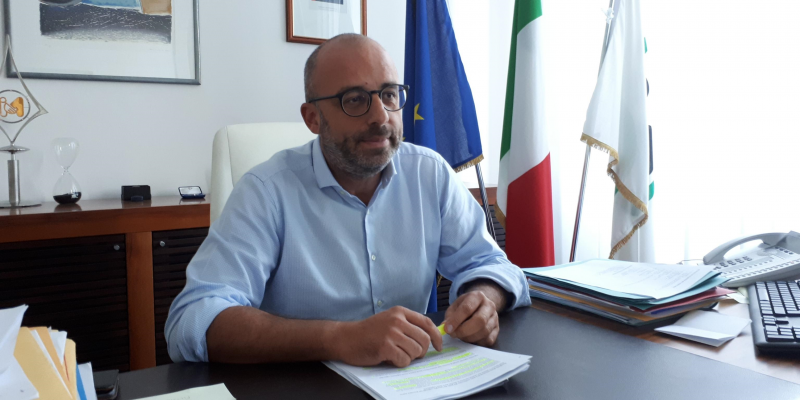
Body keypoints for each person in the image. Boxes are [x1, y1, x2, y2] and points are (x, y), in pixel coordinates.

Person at [165, 33, 531, 368]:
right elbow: (193, 320)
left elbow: (493, 265)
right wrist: (337, 338)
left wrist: (485, 299)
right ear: (313, 118)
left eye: (389, 94)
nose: (380, 116)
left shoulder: (429, 174)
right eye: (354, 99)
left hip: (413, 381)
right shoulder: (265, 191)